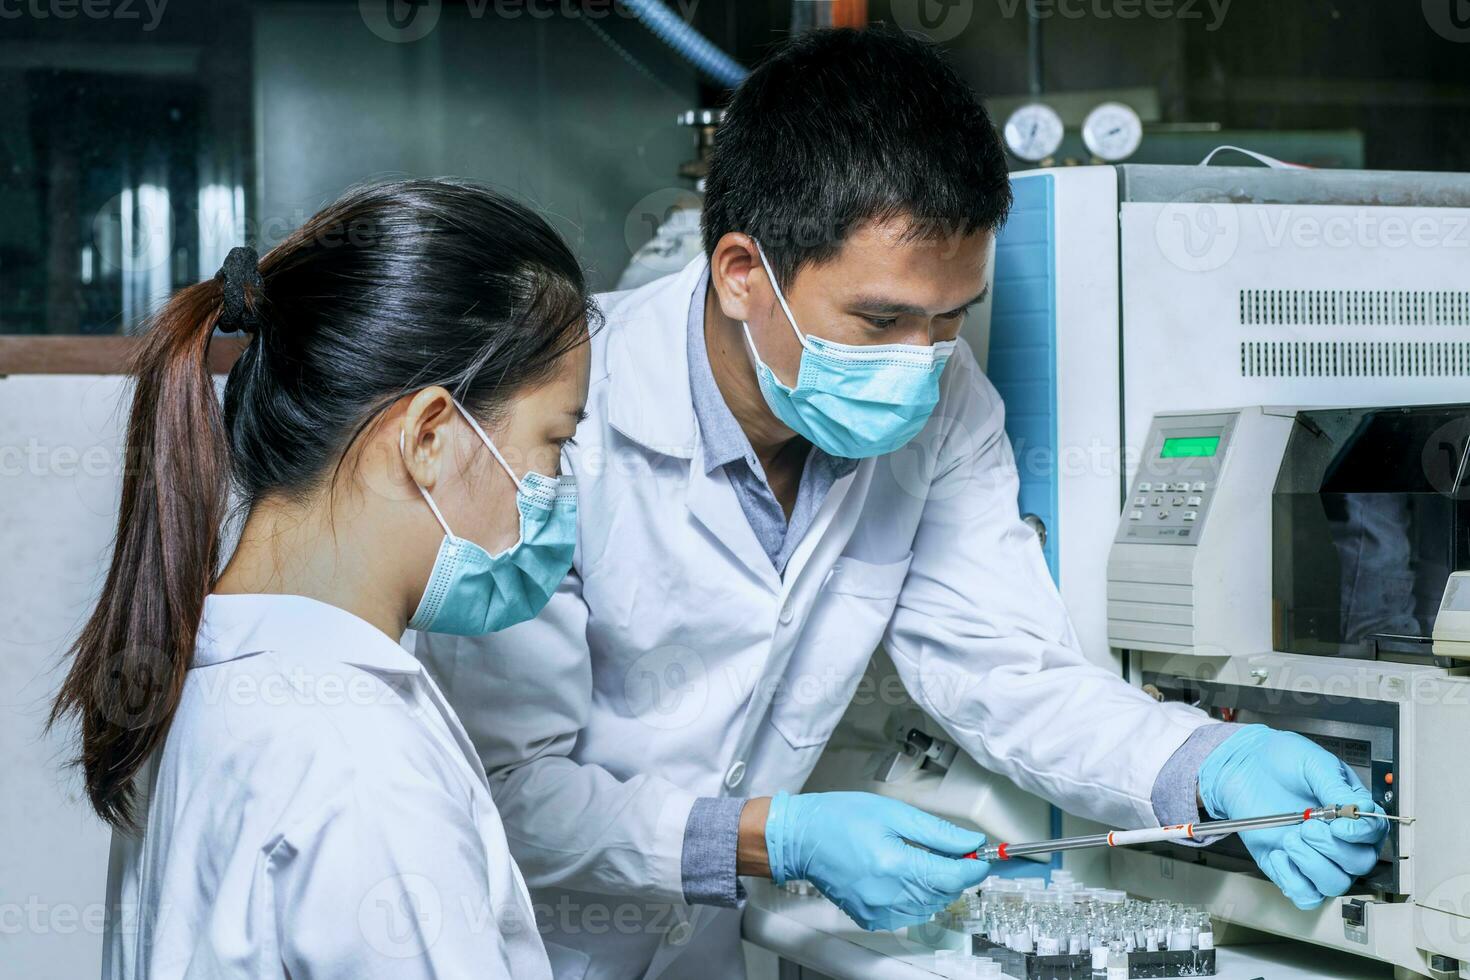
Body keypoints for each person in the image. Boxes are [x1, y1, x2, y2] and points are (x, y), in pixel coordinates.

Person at [418, 29, 1387, 980]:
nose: (918, 361)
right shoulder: (563, 417)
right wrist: (772, 836)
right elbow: (502, 788)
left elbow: (1003, 667)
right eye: (879, 319)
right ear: (742, 273)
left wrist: (1200, 759)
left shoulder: (945, 399)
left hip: (701, 949)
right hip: (523, 942)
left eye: (950, 315)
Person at [51, 180, 595, 979]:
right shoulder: (363, 769)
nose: (558, 489)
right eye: (555, 444)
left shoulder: (201, 676)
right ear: (431, 437)